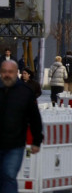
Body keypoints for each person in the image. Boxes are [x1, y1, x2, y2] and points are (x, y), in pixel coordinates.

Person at [0, 60, 43, 192]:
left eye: (10, 72)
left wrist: (36, 141)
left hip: (15, 144)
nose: (7, 75)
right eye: (4, 72)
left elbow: (34, 117)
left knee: (9, 175)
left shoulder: (25, 92)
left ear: (16, 73)